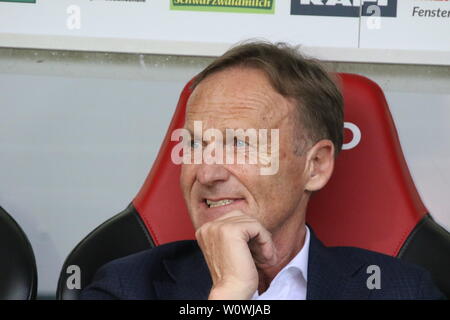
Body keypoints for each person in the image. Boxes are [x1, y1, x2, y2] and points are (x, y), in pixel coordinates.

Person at [81, 41, 444, 300]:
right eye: (193, 144)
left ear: (315, 166)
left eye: (240, 143)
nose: (206, 174)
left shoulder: (401, 291)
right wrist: (229, 296)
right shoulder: (125, 287)